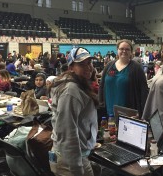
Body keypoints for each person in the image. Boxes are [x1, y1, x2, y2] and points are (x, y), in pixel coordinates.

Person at [49, 47, 100, 176]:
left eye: (89, 63)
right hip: (70, 161)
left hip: (74, 156)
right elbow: (67, 133)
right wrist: (77, 168)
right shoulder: (71, 91)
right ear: (71, 67)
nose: (88, 67)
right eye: (81, 64)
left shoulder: (78, 85)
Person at [99, 40, 148, 117]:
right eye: (121, 49)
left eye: (127, 49)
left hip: (128, 114)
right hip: (108, 112)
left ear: (131, 52)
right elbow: (101, 86)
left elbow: (144, 91)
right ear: (117, 50)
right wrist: (101, 103)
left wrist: (141, 112)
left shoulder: (136, 68)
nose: (124, 51)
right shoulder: (109, 66)